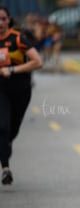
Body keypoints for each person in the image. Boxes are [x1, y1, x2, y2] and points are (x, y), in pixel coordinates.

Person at [0, 5, 43, 185]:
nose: (0, 22)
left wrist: (13, 69)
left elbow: (37, 62)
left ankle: (5, 144)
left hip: (20, 89)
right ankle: (6, 169)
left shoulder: (18, 39)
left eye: (3, 18)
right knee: (2, 127)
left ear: (9, 20)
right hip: (0, 90)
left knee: (12, 129)